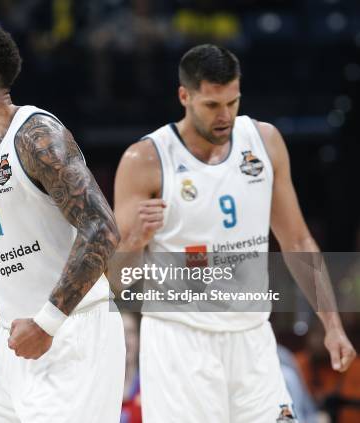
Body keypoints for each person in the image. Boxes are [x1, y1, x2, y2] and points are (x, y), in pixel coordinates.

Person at [112, 44, 356, 422]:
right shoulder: (144, 160)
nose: (224, 116)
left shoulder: (264, 142)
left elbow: (298, 241)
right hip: (180, 344)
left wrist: (333, 325)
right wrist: (134, 241)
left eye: (233, 102)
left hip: (251, 336)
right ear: (184, 96)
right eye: (212, 105)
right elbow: (113, 278)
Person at [0, 19, 125, 422]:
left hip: (71, 332)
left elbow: (102, 229)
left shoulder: (36, 136)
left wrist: (47, 323)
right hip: (9, 343)